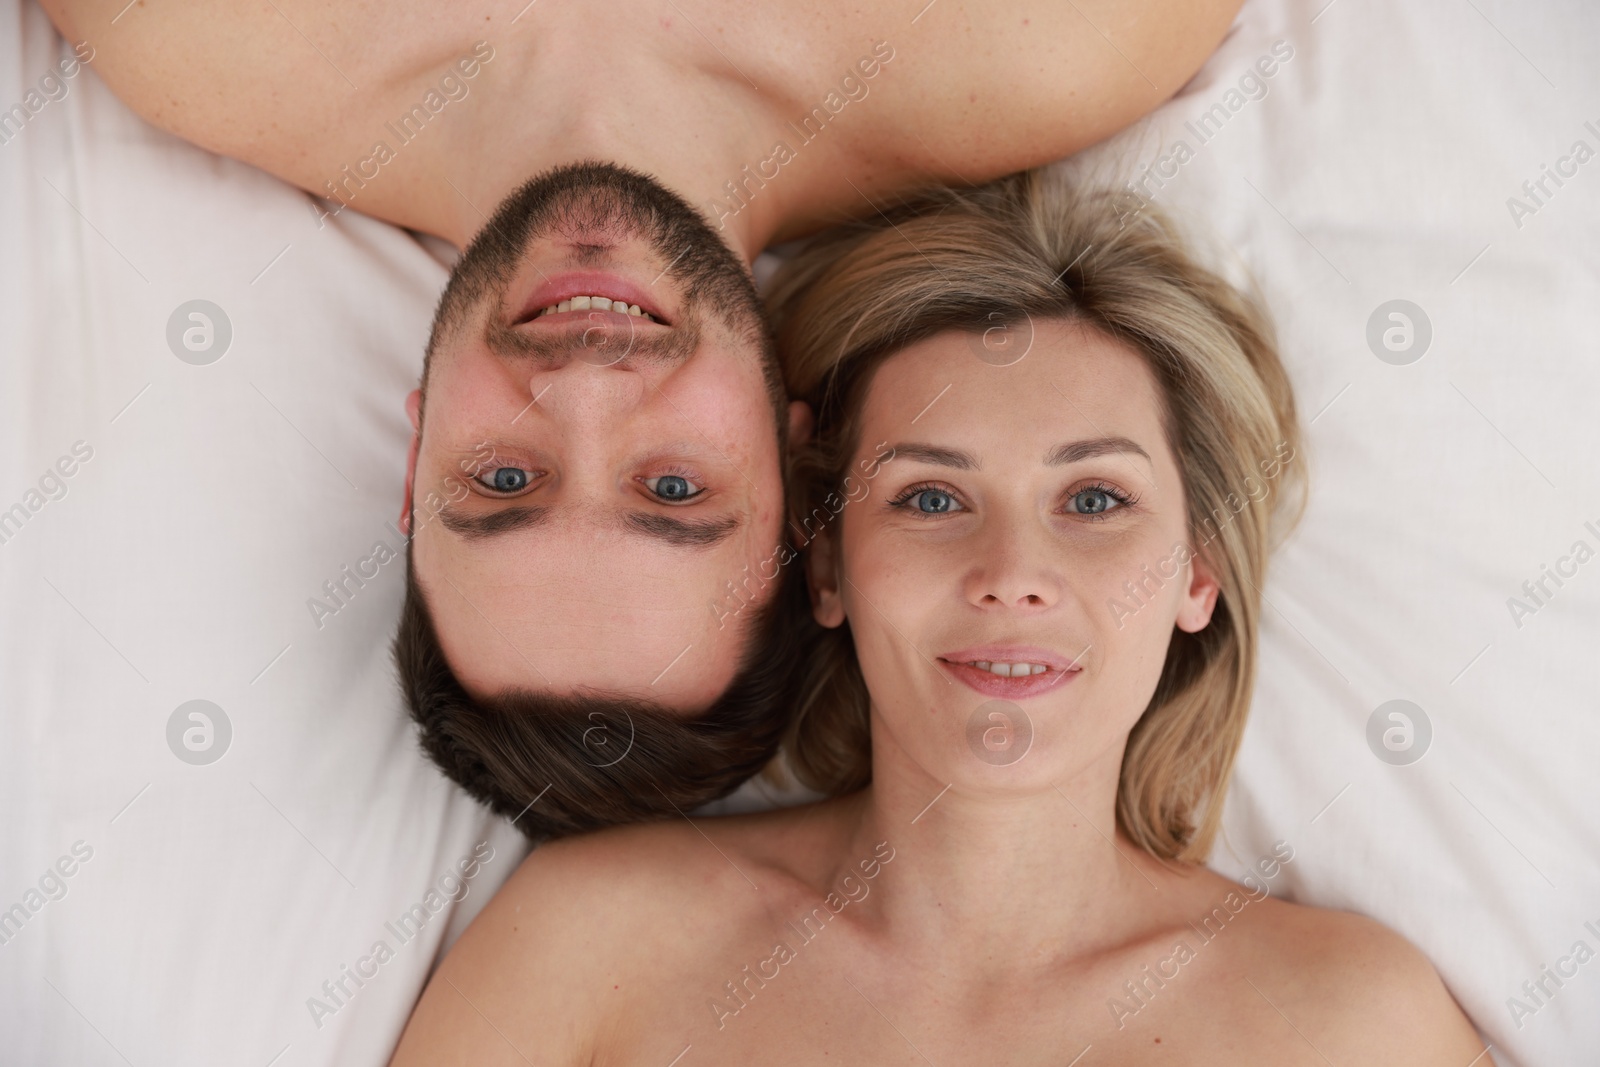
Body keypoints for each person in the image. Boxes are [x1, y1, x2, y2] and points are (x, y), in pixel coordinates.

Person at [39, 0, 1247, 830]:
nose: (583, 385)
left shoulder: (194, 32)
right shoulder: (1058, 39)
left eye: (503, 482)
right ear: (795, 465)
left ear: (415, 462)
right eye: (674, 489)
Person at [385, 171, 1488, 1062]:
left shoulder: (1350, 1023)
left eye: (1094, 500)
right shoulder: (594, 940)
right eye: (929, 498)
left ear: (1196, 569)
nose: (1013, 573)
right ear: (826, 564)